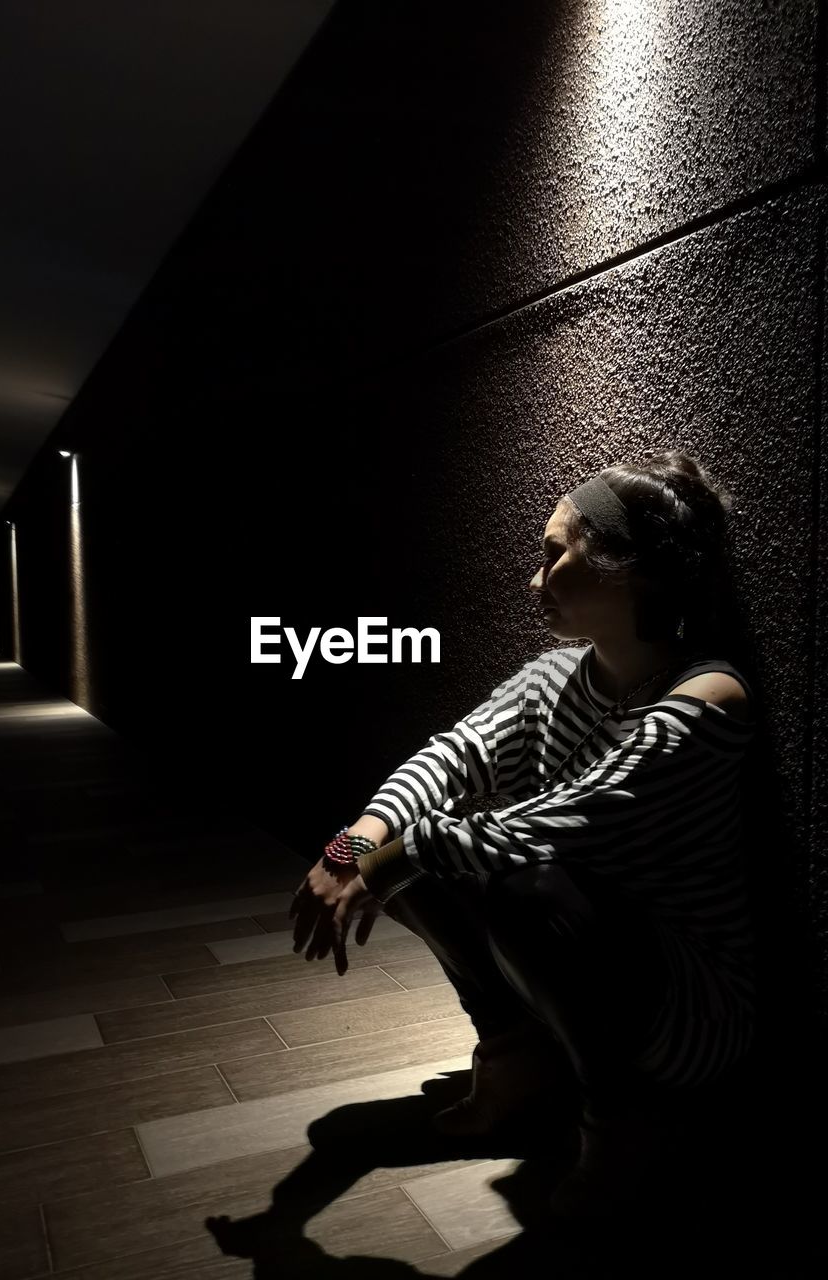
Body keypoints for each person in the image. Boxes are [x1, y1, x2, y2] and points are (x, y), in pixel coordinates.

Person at [288, 449, 758, 1219]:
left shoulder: (708, 696)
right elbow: (451, 755)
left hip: (683, 1009)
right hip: (577, 966)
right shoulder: (551, 678)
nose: (535, 580)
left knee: (519, 877)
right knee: (427, 842)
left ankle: (623, 1122)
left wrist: (386, 858)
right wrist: (356, 844)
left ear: (627, 568)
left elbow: (566, 821)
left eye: (554, 555)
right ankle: (518, 1056)